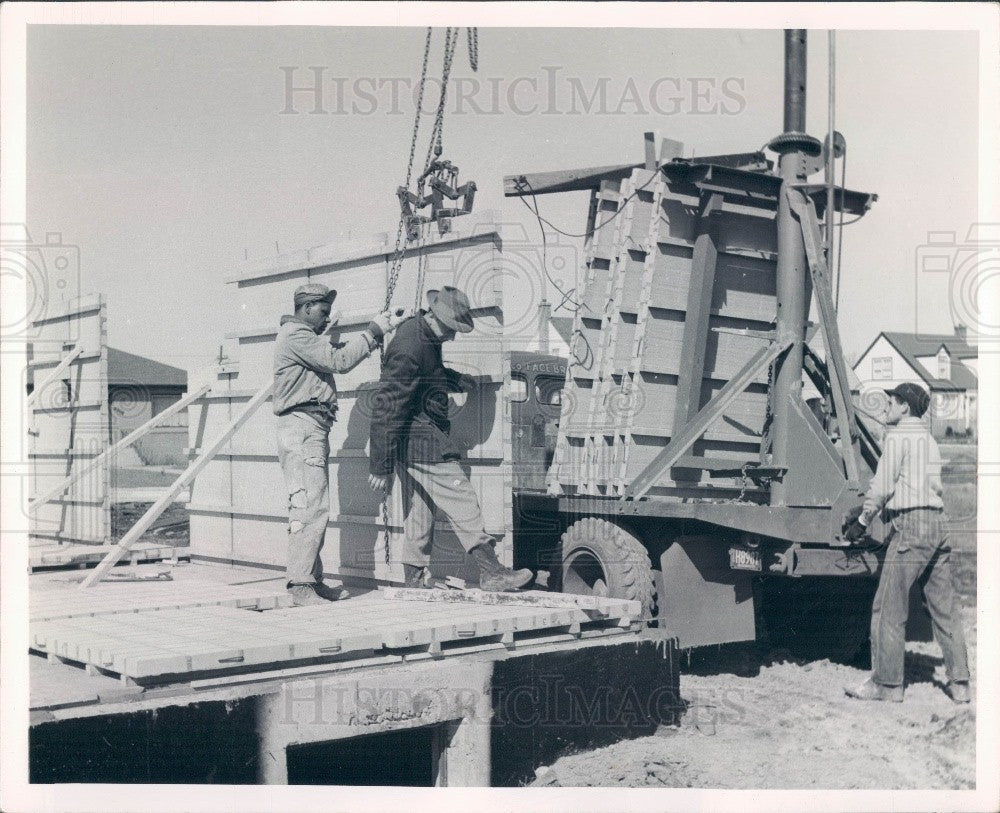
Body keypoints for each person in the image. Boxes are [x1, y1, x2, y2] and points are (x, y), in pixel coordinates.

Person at [367, 286, 534, 592]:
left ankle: (414, 582)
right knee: (463, 498)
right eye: (451, 329)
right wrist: (380, 464)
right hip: (422, 440)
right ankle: (491, 572)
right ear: (436, 317)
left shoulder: (424, 336)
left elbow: (428, 375)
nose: (453, 337)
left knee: (420, 509)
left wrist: (455, 379)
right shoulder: (410, 345)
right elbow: (387, 406)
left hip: (415, 439)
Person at [274, 282, 405, 606]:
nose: (325, 318)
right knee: (311, 507)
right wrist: (375, 331)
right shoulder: (297, 335)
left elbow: (334, 356)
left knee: (310, 504)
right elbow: (340, 361)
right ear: (305, 308)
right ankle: (300, 584)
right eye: (322, 311)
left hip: (310, 427)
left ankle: (311, 580)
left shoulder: (301, 337)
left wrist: (370, 335)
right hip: (304, 427)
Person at [843, 382, 970, 703]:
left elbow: (884, 484)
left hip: (912, 526)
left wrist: (862, 519)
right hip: (938, 524)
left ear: (905, 407)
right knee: (945, 611)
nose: (887, 405)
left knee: (888, 608)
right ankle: (960, 684)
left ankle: (886, 685)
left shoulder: (898, 436)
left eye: (892, 400)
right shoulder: (928, 440)